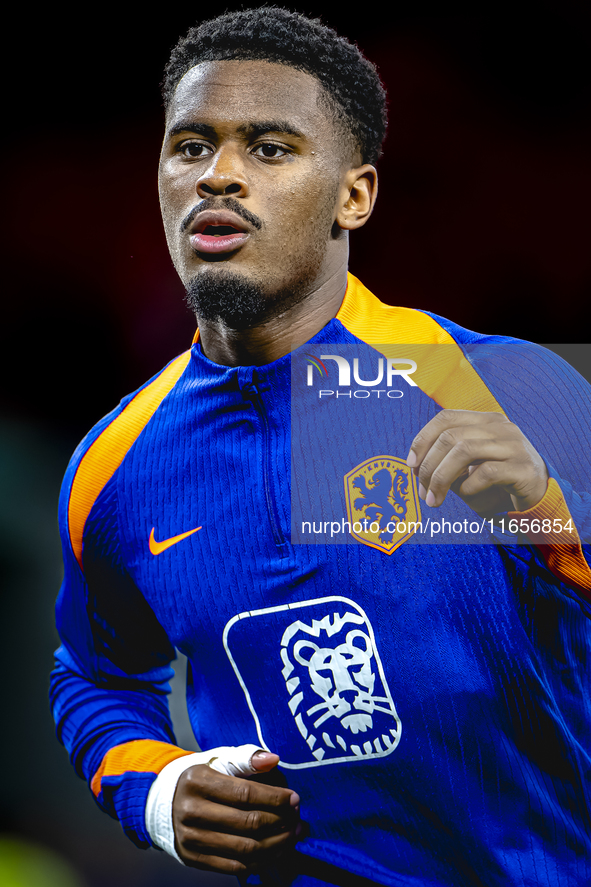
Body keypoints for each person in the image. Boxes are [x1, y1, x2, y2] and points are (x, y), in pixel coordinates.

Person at [50, 7, 591, 886]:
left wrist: (551, 515)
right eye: (190, 146)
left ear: (355, 196)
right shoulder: (116, 467)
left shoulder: (506, 385)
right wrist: (158, 788)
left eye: (268, 148)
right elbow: (95, 677)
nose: (217, 176)